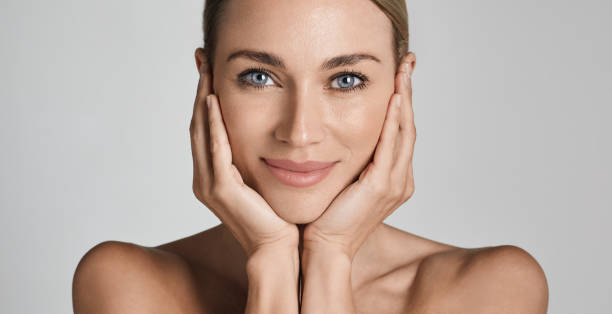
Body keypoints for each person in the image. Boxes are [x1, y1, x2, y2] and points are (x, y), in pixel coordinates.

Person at [72, 0, 549, 313]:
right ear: (207, 80)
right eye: (259, 76)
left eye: (345, 80)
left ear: (401, 89)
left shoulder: (492, 291)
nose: (299, 132)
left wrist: (331, 254)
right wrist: (271, 263)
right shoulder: (127, 287)